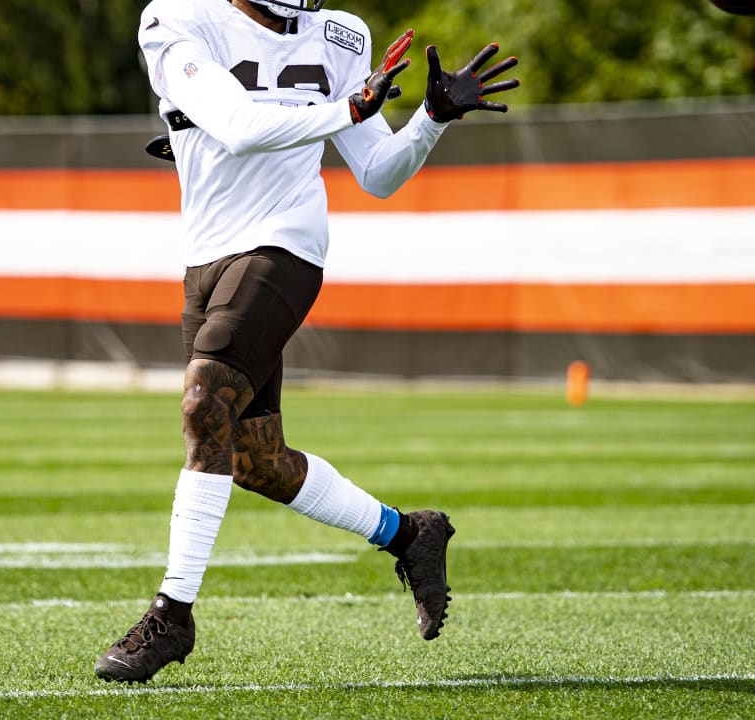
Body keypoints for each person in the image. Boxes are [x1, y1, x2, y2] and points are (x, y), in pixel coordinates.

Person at [94, 0, 519, 684]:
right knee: (255, 461)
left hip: (286, 244)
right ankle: (410, 534)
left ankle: (171, 614)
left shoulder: (339, 34)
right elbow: (235, 125)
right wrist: (347, 109)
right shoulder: (174, 17)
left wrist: (430, 119)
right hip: (206, 253)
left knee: (206, 409)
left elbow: (377, 173)